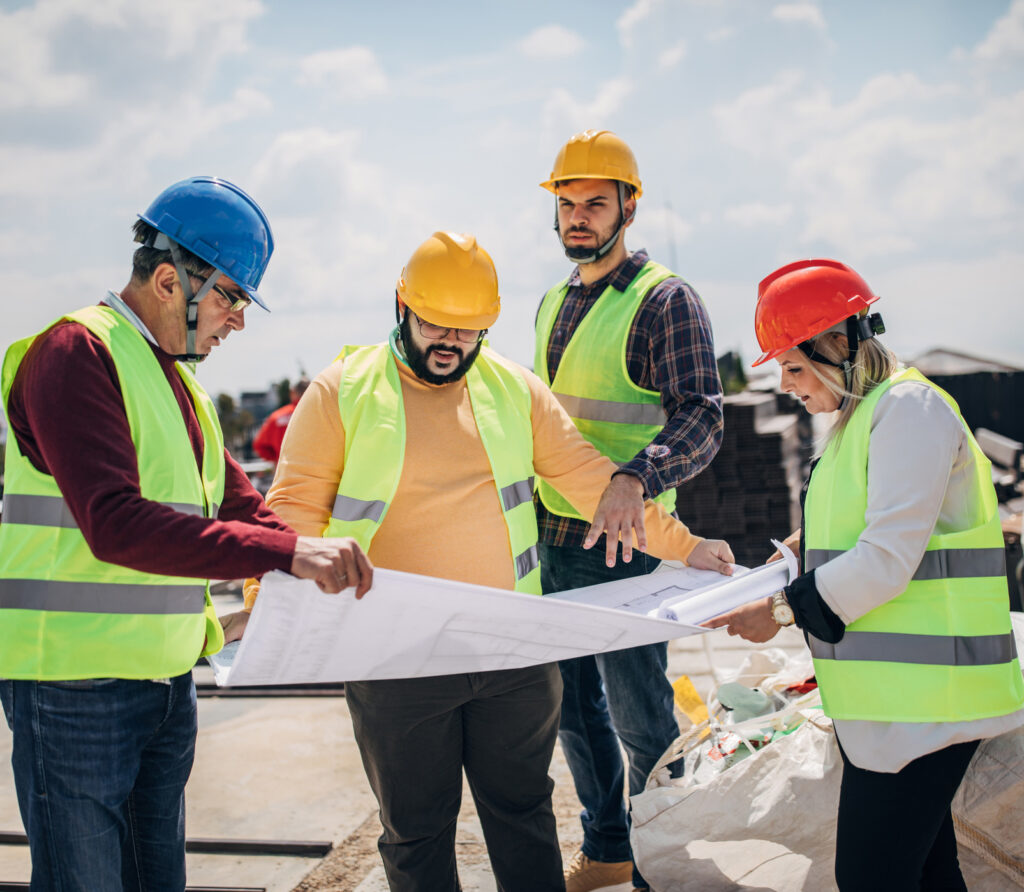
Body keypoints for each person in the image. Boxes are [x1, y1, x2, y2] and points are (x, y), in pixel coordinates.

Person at [239, 230, 733, 892]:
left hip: (511, 656)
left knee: (524, 818)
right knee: (416, 831)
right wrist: (266, 605)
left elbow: (592, 483)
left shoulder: (511, 390)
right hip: (396, 659)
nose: (451, 342)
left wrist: (688, 547)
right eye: (435, 324)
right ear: (401, 306)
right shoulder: (340, 393)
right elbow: (291, 510)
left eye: (468, 330)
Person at [0, 177, 371, 892]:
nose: (238, 320)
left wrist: (316, 568)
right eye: (232, 296)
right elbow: (113, 523)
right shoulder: (76, 354)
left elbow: (238, 504)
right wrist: (290, 553)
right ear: (171, 280)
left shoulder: (178, 380)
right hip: (72, 691)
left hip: (166, 683)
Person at [706, 259, 1024, 891]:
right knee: (928, 873)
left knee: (873, 877)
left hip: (928, 703)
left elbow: (886, 559)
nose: (788, 385)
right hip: (898, 706)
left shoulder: (909, 410)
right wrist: (793, 558)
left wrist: (777, 614)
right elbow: (869, 527)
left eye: (795, 366)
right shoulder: (867, 419)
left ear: (839, 346)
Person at [534, 130, 724, 892]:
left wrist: (637, 476)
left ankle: (661, 858)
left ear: (629, 208)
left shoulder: (665, 301)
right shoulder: (554, 299)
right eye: (567, 205)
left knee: (641, 715)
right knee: (574, 713)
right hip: (550, 534)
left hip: (626, 545)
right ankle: (610, 846)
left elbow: (703, 418)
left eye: (595, 204)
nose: (578, 218)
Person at [252, 375, 311, 465]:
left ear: (292, 392)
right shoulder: (320, 414)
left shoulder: (277, 417)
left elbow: (259, 445)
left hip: (285, 472)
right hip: (314, 473)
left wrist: (277, 458)